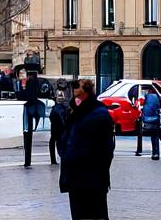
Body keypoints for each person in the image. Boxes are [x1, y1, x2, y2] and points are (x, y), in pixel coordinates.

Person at [59, 79, 114, 220]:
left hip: (92, 178)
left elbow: (107, 149)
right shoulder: (75, 111)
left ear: (86, 90)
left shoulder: (98, 113)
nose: (73, 90)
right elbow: (66, 138)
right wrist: (65, 154)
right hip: (75, 176)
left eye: (77, 86)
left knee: (95, 214)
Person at [21, 68, 46, 167]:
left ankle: (27, 161)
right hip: (35, 108)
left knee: (27, 135)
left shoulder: (29, 83)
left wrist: (23, 87)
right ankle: (28, 161)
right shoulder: (38, 82)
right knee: (29, 135)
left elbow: (26, 97)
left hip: (30, 109)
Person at [139, 87, 161, 159]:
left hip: (148, 119)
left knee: (153, 136)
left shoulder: (147, 97)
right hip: (156, 118)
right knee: (155, 136)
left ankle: (154, 153)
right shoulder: (158, 97)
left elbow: (145, 108)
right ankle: (156, 153)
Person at [49, 91, 69, 165]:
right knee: (59, 142)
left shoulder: (55, 108)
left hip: (55, 128)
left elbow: (51, 117)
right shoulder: (63, 108)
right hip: (60, 128)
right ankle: (60, 158)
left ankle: (53, 159)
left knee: (53, 141)